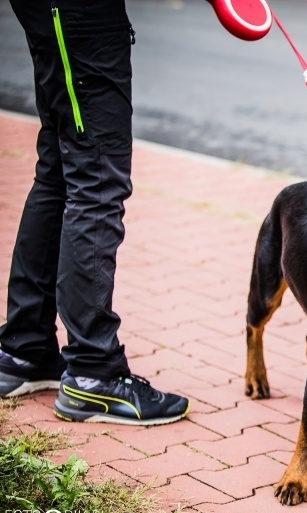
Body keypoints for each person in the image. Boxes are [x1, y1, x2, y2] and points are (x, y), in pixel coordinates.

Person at [0, 0, 190, 426]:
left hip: (58, 13)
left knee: (60, 172)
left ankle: (25, 349)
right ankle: (93, 374)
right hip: (80, 13)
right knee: (97, 182)